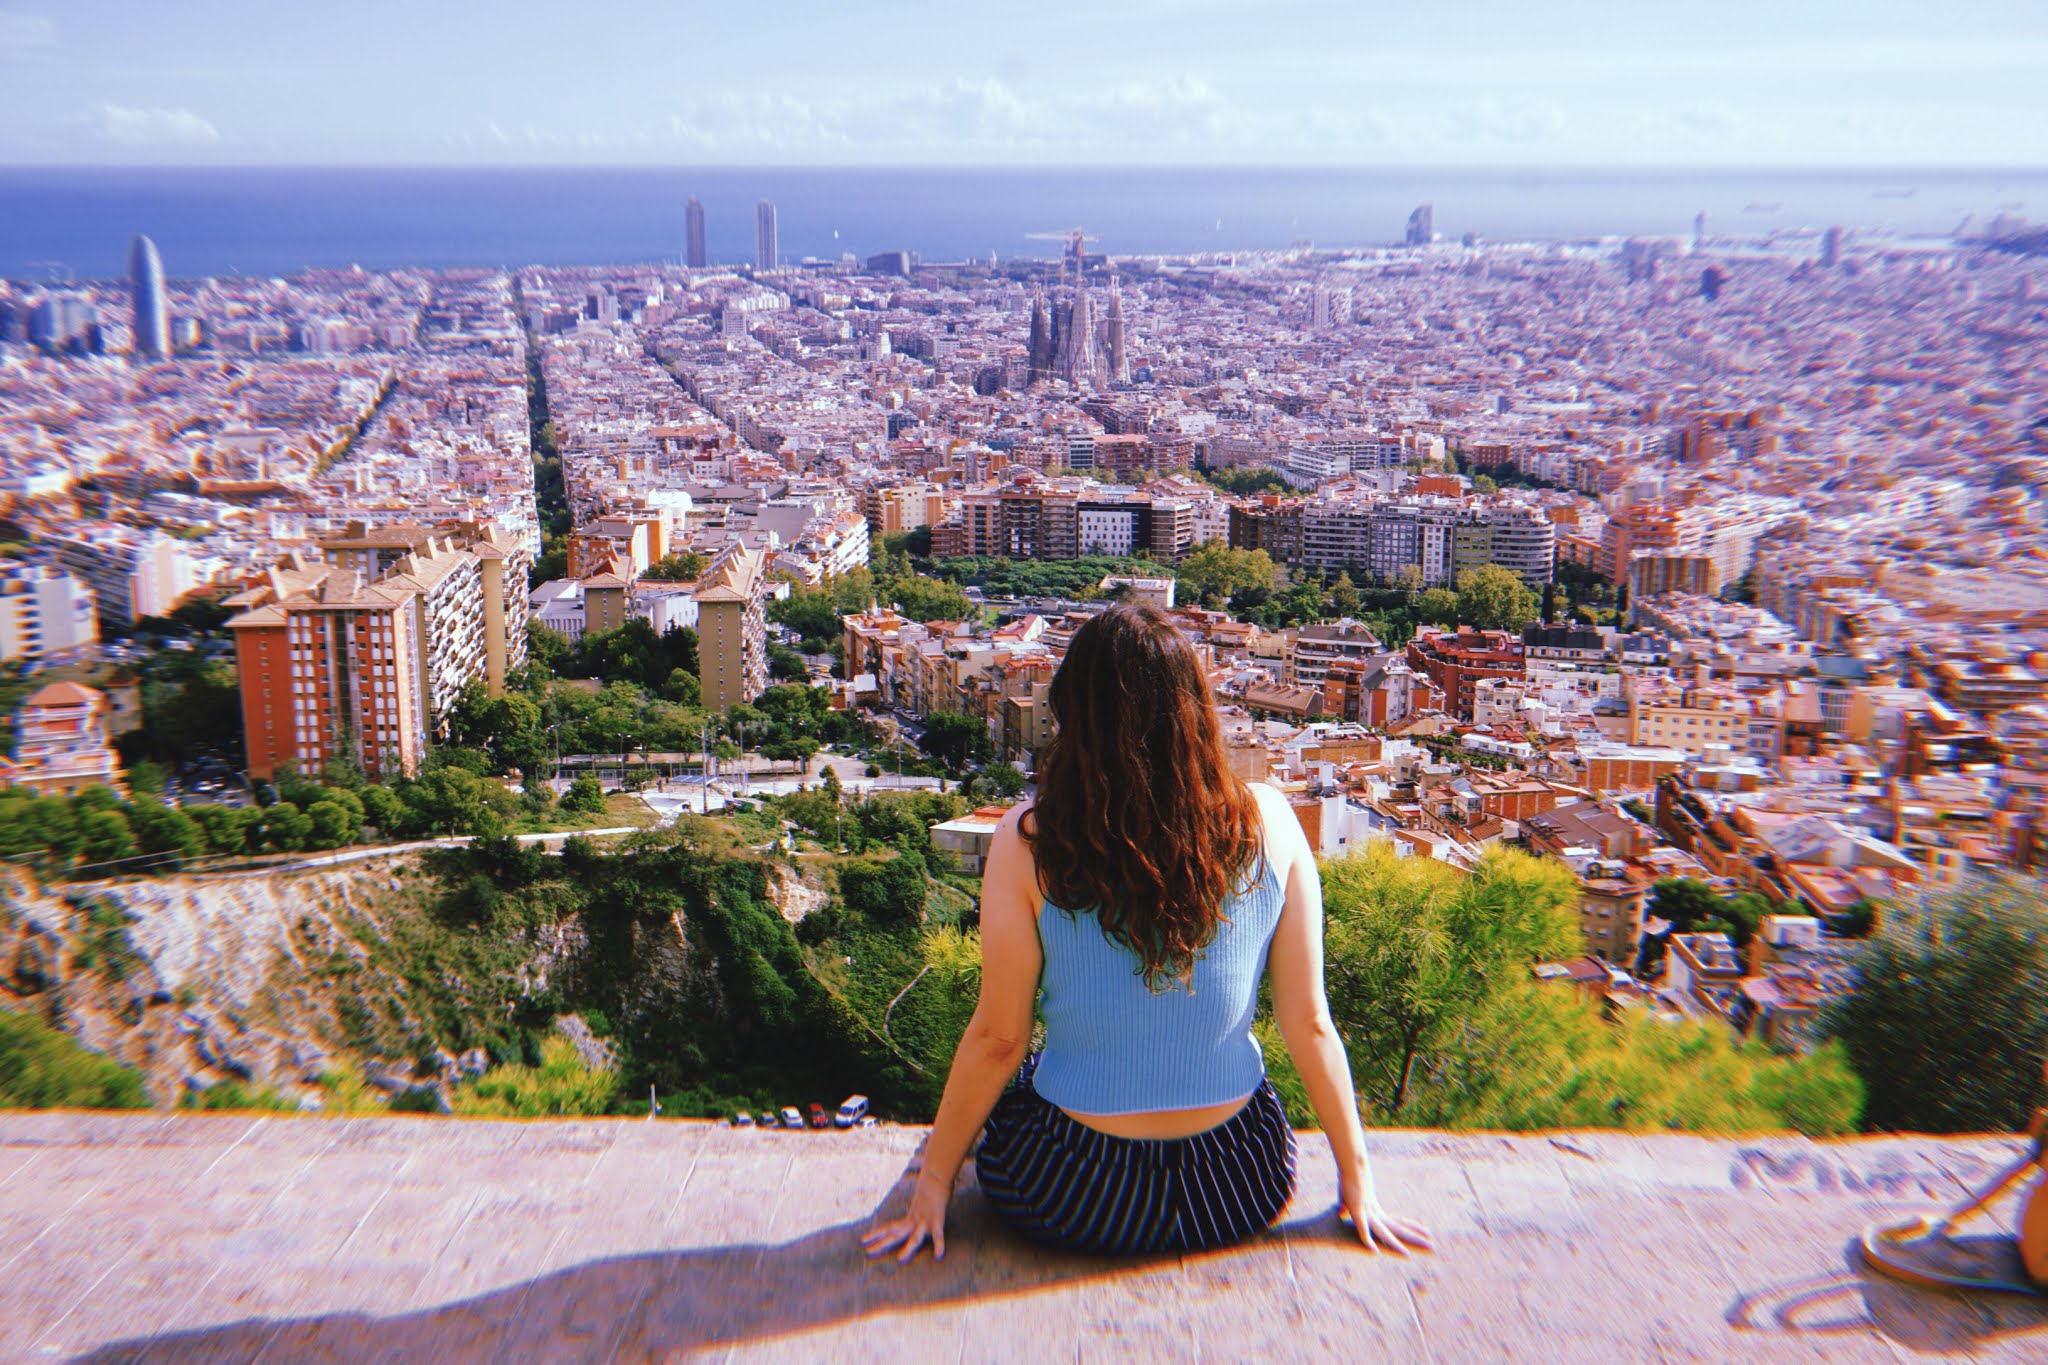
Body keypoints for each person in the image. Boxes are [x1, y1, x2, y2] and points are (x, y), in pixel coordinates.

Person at [862, 603, 1431, 1262]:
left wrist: (934, 1181)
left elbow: (999, 1037)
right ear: (1197, 713)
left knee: (1022, 1084)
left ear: (1075, 720)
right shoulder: (1272, 824)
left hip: (1071, 1193)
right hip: (1238, 1183)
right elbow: (1309, 1024)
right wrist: (1359, 1182)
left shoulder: (1029, 841)